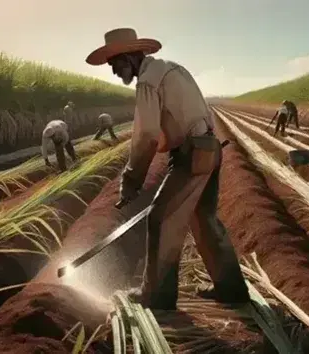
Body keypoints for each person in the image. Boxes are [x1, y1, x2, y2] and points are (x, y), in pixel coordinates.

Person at [86, 27, 250, 310]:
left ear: (130, 57)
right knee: (205, 219)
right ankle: (231, 288)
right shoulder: (171, 69)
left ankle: (157, 296)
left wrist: (131, 180)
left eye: (116, 64)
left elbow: (147, 134)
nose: (114, 71)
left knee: (160, 219)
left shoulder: (148, 81)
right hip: (209, 149)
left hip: (191, 155)